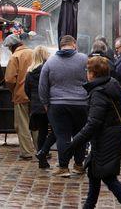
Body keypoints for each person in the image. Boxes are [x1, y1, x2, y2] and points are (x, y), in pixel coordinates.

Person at [65, 56, 121, 209]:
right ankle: (89, 205)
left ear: (93, 73)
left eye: (88, 70)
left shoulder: (99, 92)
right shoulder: (110, 84)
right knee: (94, 173)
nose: (86, 73)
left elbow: (93, 124)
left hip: (106, 139)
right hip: (108, 136)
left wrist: (73, 143)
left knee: (108, 177)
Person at [39, 35, 88, 177]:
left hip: (57, 104)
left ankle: (64, 167)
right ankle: (79, 165)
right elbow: (91, 79)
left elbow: (43, 85)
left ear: (61, 46)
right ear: (74, 45)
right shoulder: (84, 59)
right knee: (81, 135)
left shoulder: (50, 62)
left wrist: (45, 103)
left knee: (62, 136)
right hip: (81, 103)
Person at [3, 33, 35, 160]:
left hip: (21, 95)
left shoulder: (15, 56)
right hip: (36, 95)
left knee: (22, 125)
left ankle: (27, 152)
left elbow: (10, 79)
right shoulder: (33, 53)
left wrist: (14, 90)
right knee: (37, 124)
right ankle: (41, 149)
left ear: (12, 46)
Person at [24, 45, 53, 169]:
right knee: (56, 131)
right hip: (50, 105)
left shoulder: (30, 72)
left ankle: (42, 160)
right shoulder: (49, 69)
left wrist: (34, 100)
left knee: (42, 132)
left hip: (36, 106)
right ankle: (44, 152)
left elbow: (27, 90)